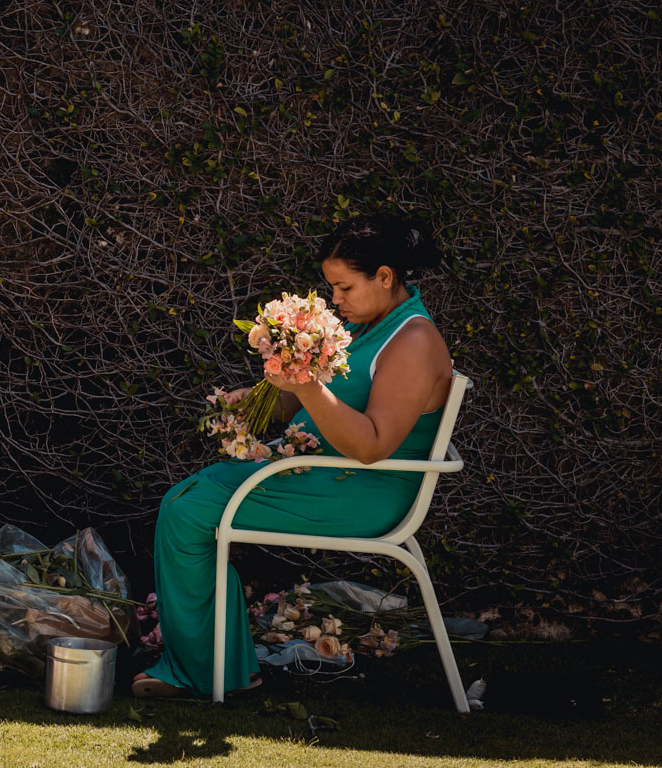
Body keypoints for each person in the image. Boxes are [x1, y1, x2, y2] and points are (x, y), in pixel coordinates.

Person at [132, 215, 453, 698]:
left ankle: (208, 672)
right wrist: (260, 398)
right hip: (324, 473)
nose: (335, 300)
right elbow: (323, 400)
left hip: (363, 491)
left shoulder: (413, 341)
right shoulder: (366, 326)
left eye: (344, 287)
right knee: (190, 499)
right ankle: (217, 665)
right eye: (332, 288)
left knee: (188, 510)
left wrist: (306, 385)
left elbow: (371, 445)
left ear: (385, 277)